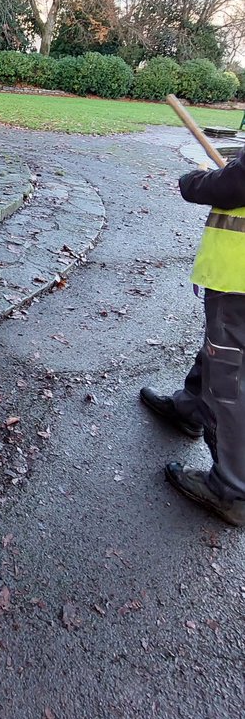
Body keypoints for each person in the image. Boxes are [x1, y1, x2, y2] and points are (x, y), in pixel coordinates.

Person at [140, 145, 245, 526]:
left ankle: (232, 490)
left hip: (240, 281)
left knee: (230, 379)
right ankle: (190, 408)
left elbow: (237, 184)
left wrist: (195, 182)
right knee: (222, 354)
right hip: (236, 281)